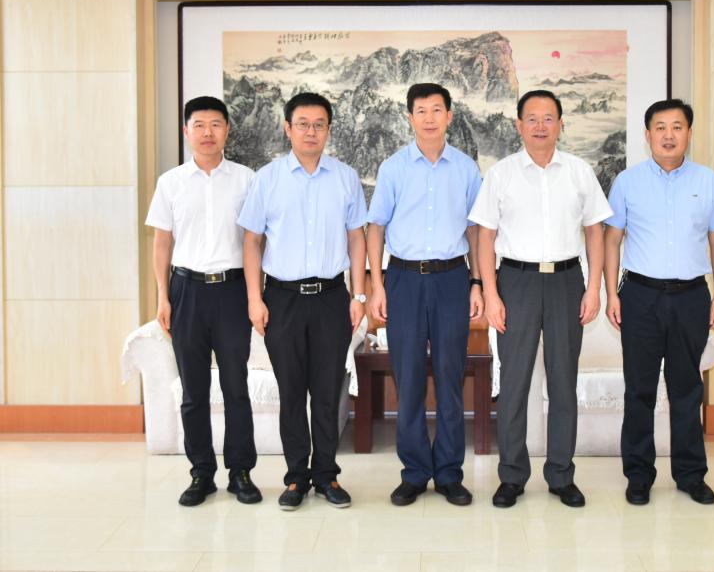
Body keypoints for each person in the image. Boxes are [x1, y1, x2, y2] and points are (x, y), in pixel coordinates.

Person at [470, 89, 611, 509]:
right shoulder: (502, 174)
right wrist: (491, 293)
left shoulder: (579, 172)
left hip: (567, 281)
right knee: (514, 384)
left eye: (549, 118)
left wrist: (594, 288)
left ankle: (561, 475)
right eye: (531, 118)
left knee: (563, 383)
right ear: (519, 125)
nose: (540, 125)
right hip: (516, 281)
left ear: (561, 124)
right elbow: (484, 237)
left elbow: (595, 232)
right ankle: (511, 476)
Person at [237, 92, 367, 511]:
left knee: (327, 392)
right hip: (282, 299)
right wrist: (254, 298)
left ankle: (327, 475)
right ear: (287, 128)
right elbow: (252, 241)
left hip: (331, 298)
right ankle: (296, 477)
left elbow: (356, 238)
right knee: (292, 393)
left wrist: (358, 294)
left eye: (319, 124)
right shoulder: (268, 178)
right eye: (303, 124)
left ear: (329, 130)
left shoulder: (345, 177)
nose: (311, 132)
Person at [604, 99, 714, 506]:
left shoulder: (707, 180)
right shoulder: (627, 182)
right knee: (639, 390)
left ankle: (691, 475)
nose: (668, 135)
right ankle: (638, 475)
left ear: (688, 133)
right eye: (660, 127)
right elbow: (612, 239)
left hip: (691, 296)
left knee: (687, 389)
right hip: (640, 295)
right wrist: (611, 293)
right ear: (647, 135)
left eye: (677, 126)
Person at [366, 83, 484, 507]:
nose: (429, 118)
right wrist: (377, 285)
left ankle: (450, 473)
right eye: (421, 110)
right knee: (409, 378)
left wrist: (477, 283)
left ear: (449, 116)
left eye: (437, 109)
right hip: (404, 280)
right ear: (410, 117)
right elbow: (376, 227)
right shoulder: (394, 167)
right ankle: (415, 472)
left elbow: (476, 230)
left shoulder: (466, 169)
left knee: (451, 378)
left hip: (452, 279)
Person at [145, 96, 261, 507]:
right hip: (186, 291)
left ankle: (241, 472)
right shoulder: (171, 182)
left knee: (235, 388)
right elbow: (162, 243)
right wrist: (163, 296)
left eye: (216, 124)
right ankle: (201, 473)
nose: (208, 132)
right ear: (187, 131)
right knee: (193, 391)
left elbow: (256, 242)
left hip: (232, 291)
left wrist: (255, 295)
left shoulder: (247, 180)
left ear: (227, 129)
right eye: (199, 125)